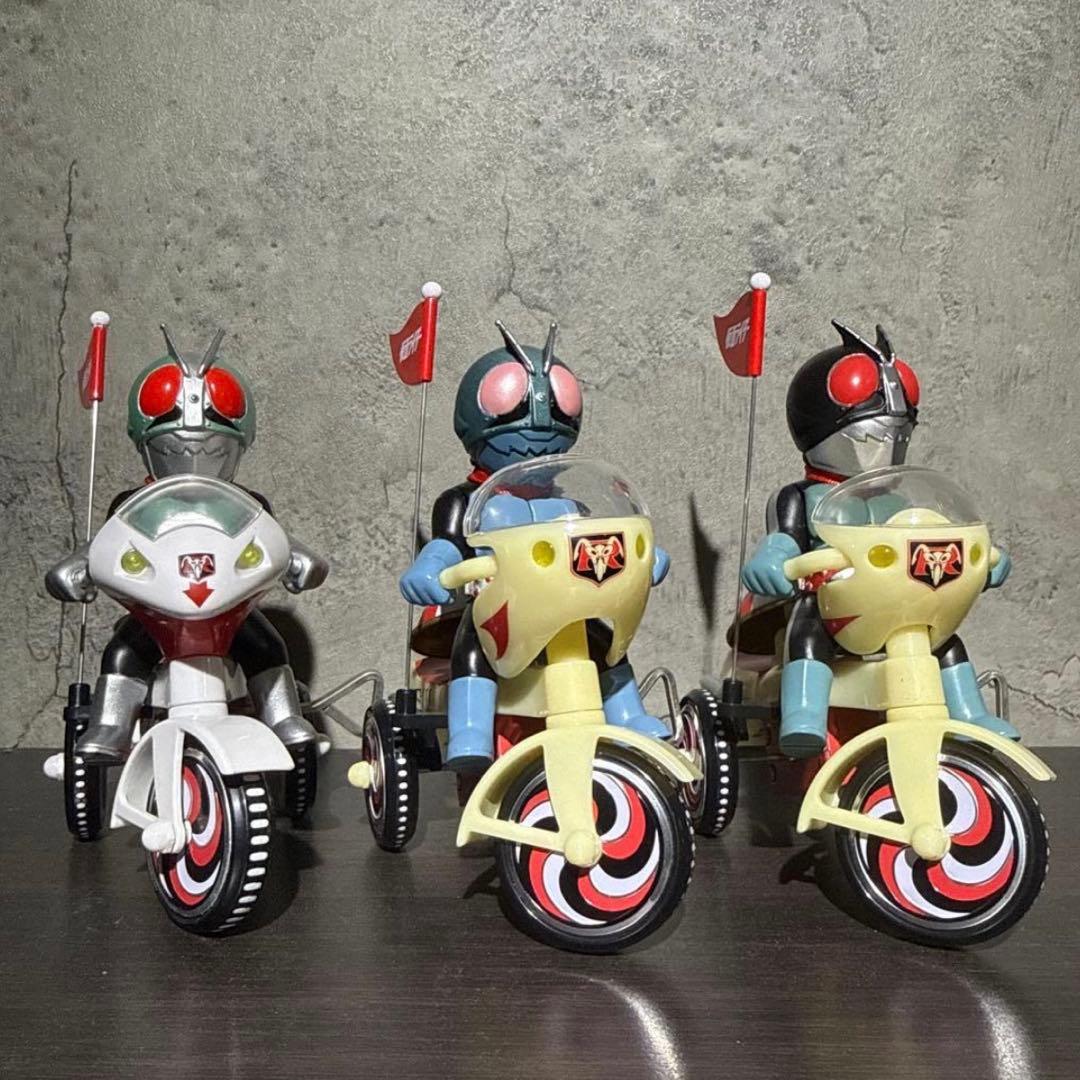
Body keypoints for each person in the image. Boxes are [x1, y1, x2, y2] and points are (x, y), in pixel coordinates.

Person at [45, 326, 327, 763]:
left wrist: (300, 558)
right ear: (148, 446)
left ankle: (283, 716)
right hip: (156, 613)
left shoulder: (249, 505)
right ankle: (112, 724)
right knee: (123, 653)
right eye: (172, 449)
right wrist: (77, 565)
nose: (193, 459)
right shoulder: (131, 505)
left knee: (267, 649)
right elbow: (108, 542)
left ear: (236, 446)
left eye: (213, 450)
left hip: (229, 610)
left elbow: (272, 537)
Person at [399, 321, 670, 771]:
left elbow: (602, 541)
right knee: (474, 644)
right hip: (496, 609)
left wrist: (643, 560)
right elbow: (448, 543)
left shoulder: (569, 504)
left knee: (605, 641)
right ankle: (470, 730)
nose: (538, 425)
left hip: (565, 608)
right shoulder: (463, 501)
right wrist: (430, 567)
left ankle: (627, 713)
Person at [740, 320, 1015, 758]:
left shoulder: (901, 499)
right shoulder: (799, 497)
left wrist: (984, 560)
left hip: (893, 605)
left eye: (897, 435)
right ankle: (804, 713)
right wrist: (772, 561)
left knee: (943, 638)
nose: (886, 447)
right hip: (836, 609)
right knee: (807, 625)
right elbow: (784, 539)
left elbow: (935, 537)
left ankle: (969, 712)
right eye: (872, 436)